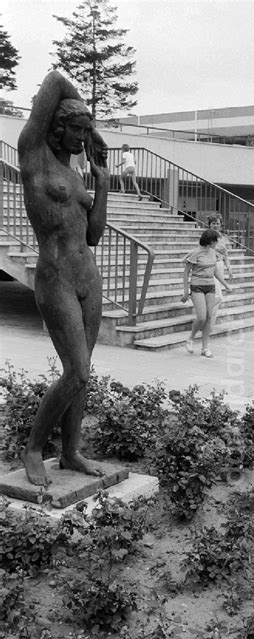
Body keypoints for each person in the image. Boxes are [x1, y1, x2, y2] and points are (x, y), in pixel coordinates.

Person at [18, 70, 109, 486]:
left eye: (86, 131)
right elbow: (55, 81)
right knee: (77, 371)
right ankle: (34, 449)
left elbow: (93, 234)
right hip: (54, 276)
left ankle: (71, 451)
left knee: (84, 371)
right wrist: (95, 131)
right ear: (57, 127)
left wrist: (102, 184)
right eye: (76, 129)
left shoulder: (76, 176)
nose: (81, 138)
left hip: (87, 274)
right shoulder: (33, 154)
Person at [182, 228, 231, 358]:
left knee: (209, 316)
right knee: (202, 316)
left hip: (210, 286)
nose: (217, 243)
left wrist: (225, 284)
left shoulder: (213, 253)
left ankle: (205, 347)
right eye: (215, 241)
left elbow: (215, 271)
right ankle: (190, 338)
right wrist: (186, 291)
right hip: (197, 286)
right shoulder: (196, 253)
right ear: (210, 241)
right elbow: (186, 272)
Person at [208, 213, 233, 329]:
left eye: (217, 223)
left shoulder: (223, 238)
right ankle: (204, 312)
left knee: (216, 299)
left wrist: (229, 268)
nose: (215, 225)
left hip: (220, 265)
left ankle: (210, 324)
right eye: (213, 223)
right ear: (209, 225)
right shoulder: (206, 237)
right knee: (218, 295)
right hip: (210, 267)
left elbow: (225, 255)